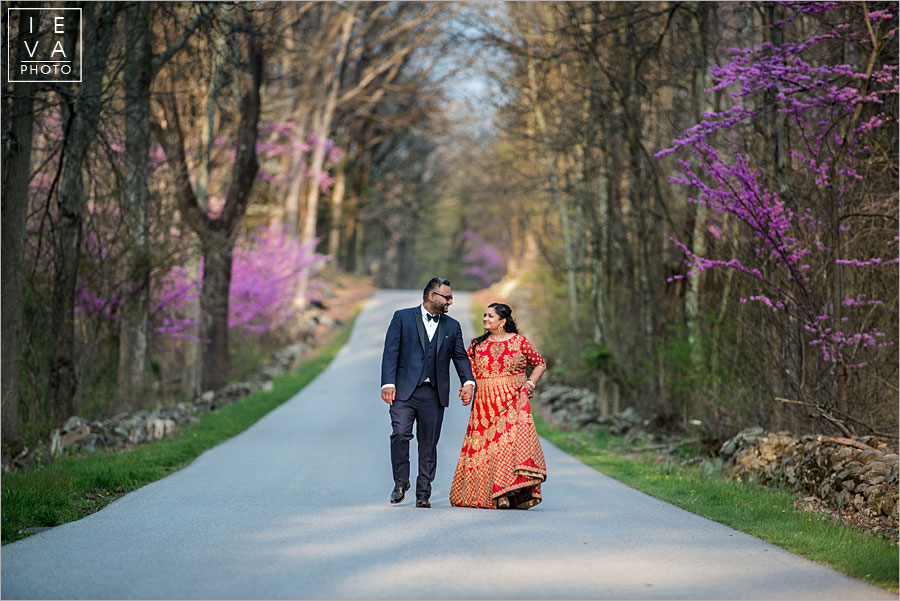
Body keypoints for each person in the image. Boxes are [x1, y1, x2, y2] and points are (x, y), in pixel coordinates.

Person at [381, 278, 476, 508]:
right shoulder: (402, 317)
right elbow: (391, 351)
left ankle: (423, 493)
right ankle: (400, 483)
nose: (450, 301)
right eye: (447, 297)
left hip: (434, 394)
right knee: (400, 434)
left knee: (428, 444)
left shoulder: (452, 326)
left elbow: (460, 357)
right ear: (432, 296)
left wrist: (469, 382)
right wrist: (387, 383)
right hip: (404, 391)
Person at [449, 302, 547, 510]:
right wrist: (466, 390)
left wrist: (530, 382)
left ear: (503, 321)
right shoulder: (477, 345)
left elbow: (539, 363)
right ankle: (493, 494)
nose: (485, 319)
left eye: (490, 316)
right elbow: (470, 374)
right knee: (488, 450)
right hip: (485, 405)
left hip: (514, 401)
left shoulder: (520, 342)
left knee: (507, 447)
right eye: (484, 315)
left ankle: (504, 495)